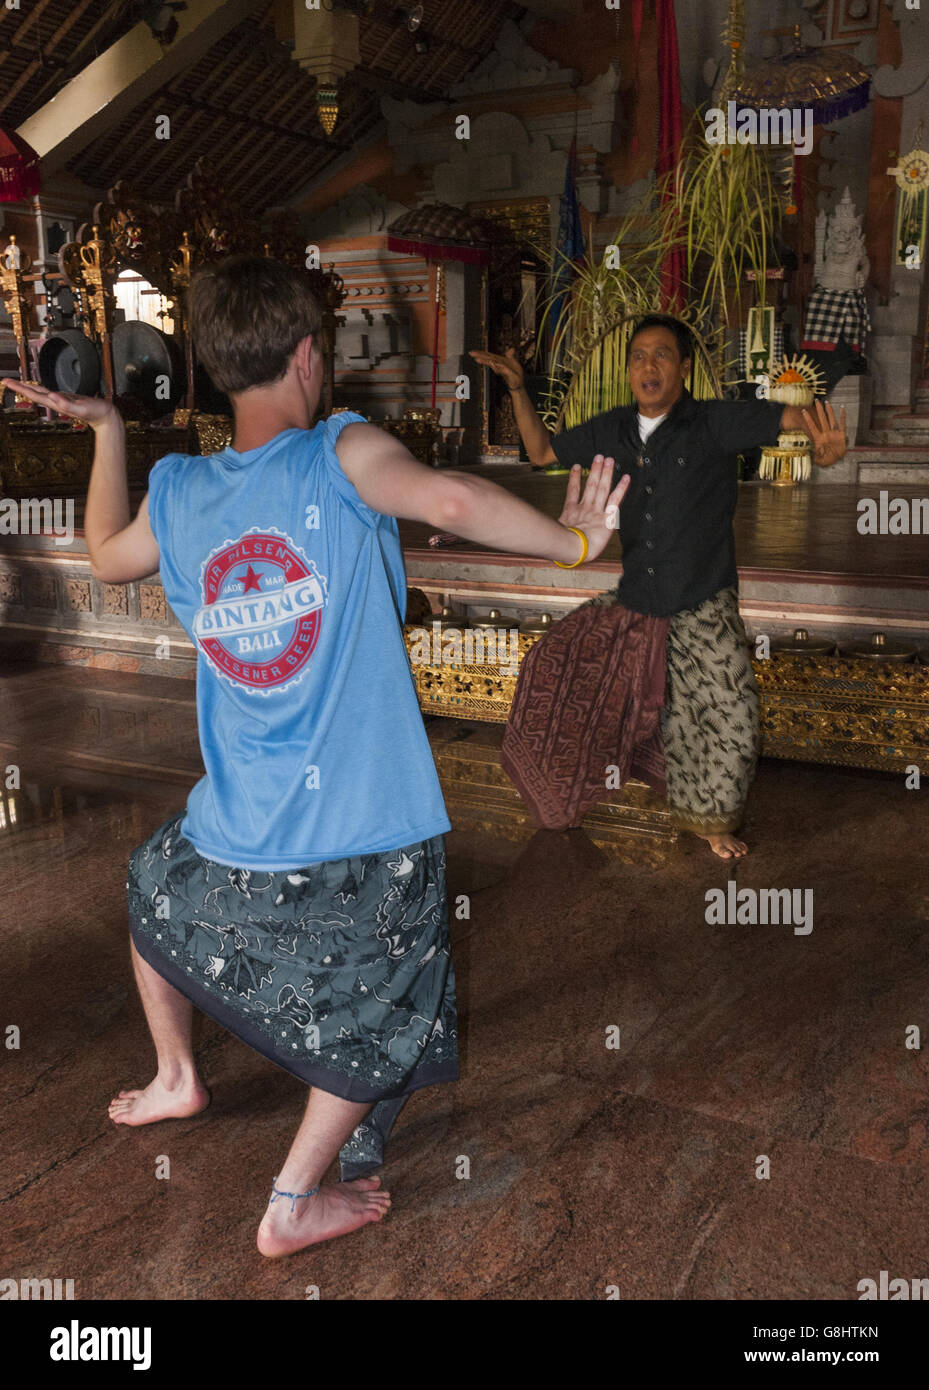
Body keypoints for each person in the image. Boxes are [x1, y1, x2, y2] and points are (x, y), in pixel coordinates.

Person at [2, 255, 629, 1259]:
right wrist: (574, 542)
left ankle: (176, 1074)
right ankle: (293, 1196)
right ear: (307, 356)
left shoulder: (181, 487)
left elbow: (105, 552)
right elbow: (455, 504)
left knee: (150, 889)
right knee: (392, 1002)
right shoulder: (340, 452)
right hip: (361, 823)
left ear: (209, 371)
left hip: (235, 825)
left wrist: (111, 434)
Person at [471, 314, 847, 860]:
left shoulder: (715, 422)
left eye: (662, 355)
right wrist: (516, 387)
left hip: (703, 601)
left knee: (731, 715)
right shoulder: (613, 429)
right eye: (639, 356)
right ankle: (564, 795)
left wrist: (824, 447)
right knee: (552, 664)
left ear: (685, 367)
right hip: (636, 602)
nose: (648, 366)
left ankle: (712, 820)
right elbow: (542, 453)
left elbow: (796, 415)